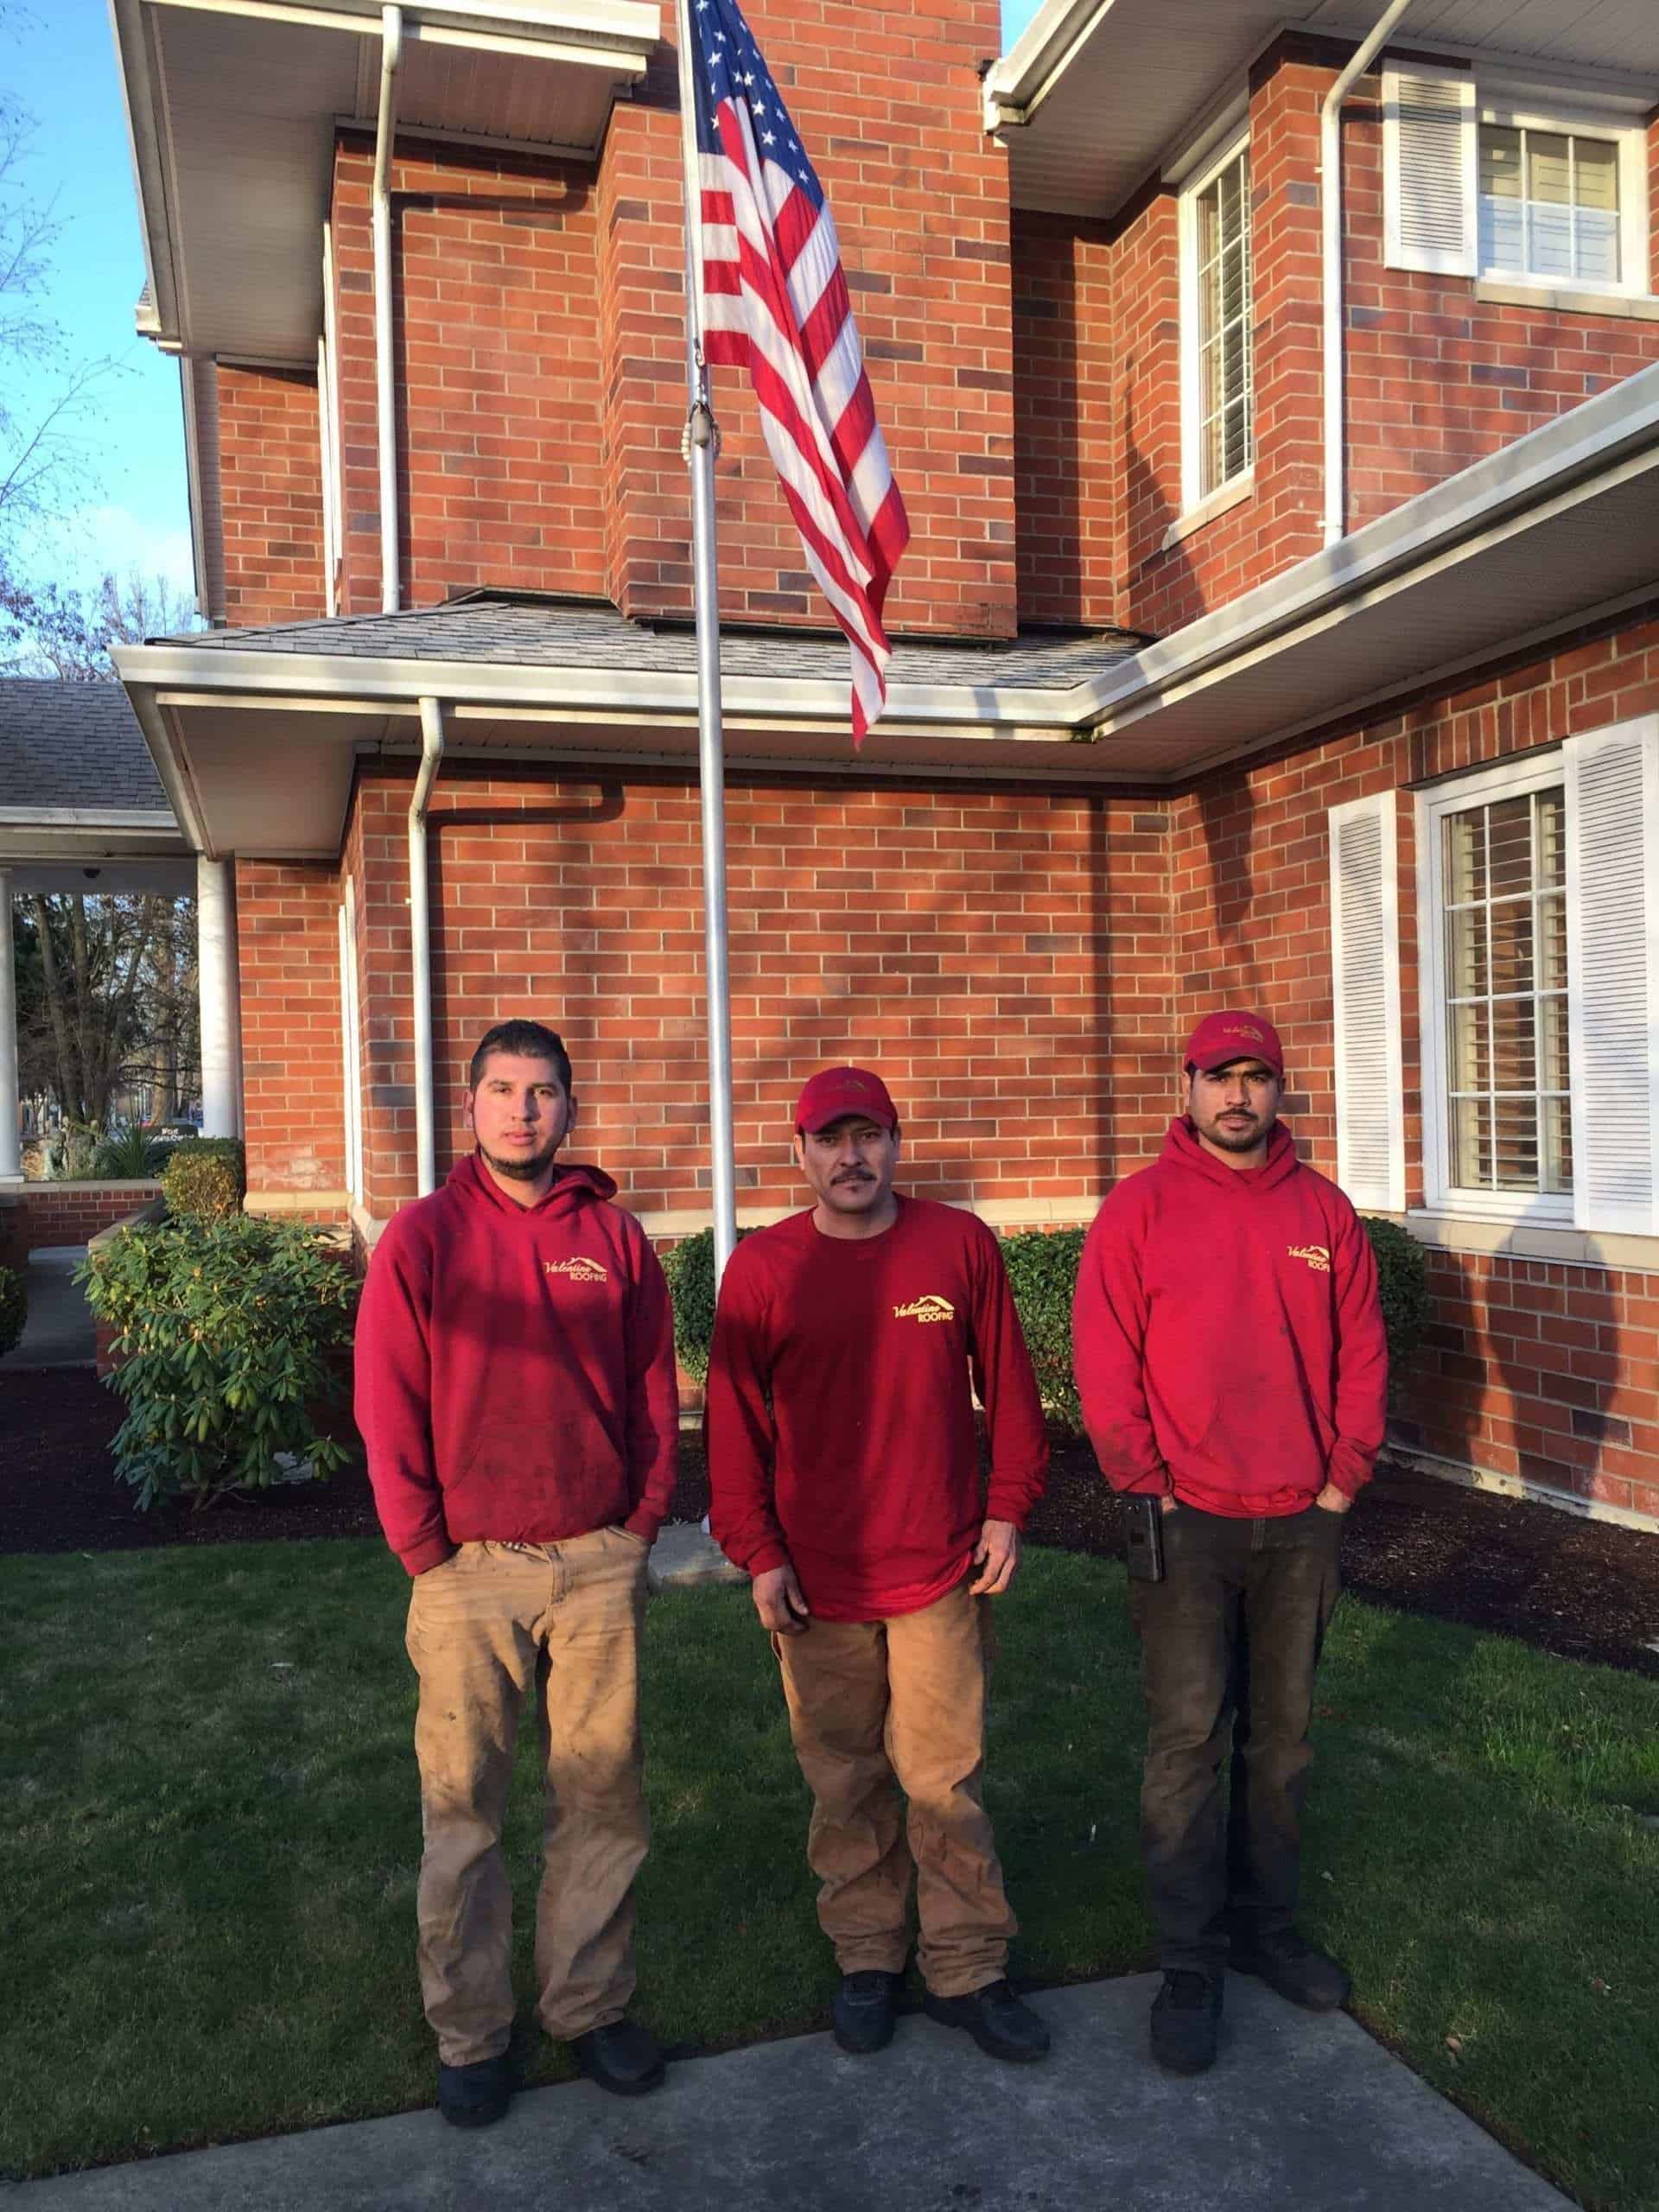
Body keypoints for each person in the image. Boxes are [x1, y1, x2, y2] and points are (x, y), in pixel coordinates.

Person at [354, 1019, 678, 2128]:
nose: (523, 1110)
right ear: (473, 1105)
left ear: (569, 1110)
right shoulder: (423, 1235)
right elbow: (386, 1397)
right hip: (467, 1574)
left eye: (543, 1092)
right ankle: (472, 2031)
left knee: (600, 1799)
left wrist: (637, 1523)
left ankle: (588, 2007)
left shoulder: (616, 1238)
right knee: (466, 1811)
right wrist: (423, 1550)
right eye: (503, 1089)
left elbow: (650, 1393)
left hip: (594, 1561)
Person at [706, 1065, 1052, 2065]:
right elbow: (732, 1433)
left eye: (870, 1137)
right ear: (800, 1152)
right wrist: (758, 1552)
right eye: (831, 1139)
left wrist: (1007, 1507)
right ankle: (867, 1957)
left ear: (897, 1142)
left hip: (939, 1565)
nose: (851, 1157)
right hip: (819, 1580)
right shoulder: (766, 1271)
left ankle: (967, 1966)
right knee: (846, 1779)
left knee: (945, 1778)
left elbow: (1014, 1397)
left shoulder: (957, 1246)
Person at [1071, 1012, 1387, 2077]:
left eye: (1257, 1077)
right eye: (1220, 1077)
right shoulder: (1139, 1209)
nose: (1238, 1096)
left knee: (1283, 1740)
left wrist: (1343, 1480)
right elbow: (1105, 1359)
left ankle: (1266, 1926)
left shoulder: (1324, 1212)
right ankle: (1190, 1961)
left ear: (1278, 1089)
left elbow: (1362, 1357)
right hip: (1185, 1521)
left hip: (1302, 1519)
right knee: (1187, 1744)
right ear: (1190, 1084)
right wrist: (1145, 1486)